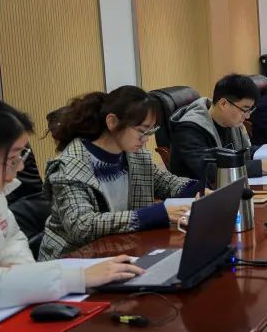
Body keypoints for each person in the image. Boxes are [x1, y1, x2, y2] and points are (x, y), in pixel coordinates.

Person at [0, 97, 144, 312]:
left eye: (21, 155)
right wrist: (75, 278)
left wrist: (23, 278)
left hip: (5, 308)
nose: (20, 167)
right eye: (10, 159)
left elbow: (12, 239)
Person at [40, 86, 203, 260]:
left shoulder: (134, 154)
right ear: (112, 122)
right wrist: (156, 214)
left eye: (150, 131)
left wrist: (199, 190)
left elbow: (165, 182)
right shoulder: (69, 166)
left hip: (120, 248)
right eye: (141, 131)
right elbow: (82, 226)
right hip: (74, 259)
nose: (146, 139)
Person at [170, 74, 267, 184]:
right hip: (197, 194)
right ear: (223, 104)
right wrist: (260, 166)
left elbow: (243, 153)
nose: (247, 116)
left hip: (227, 187)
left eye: (250, 110)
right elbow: (208, 170)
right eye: (245, 109)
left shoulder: (230, 122)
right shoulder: (189, 129)